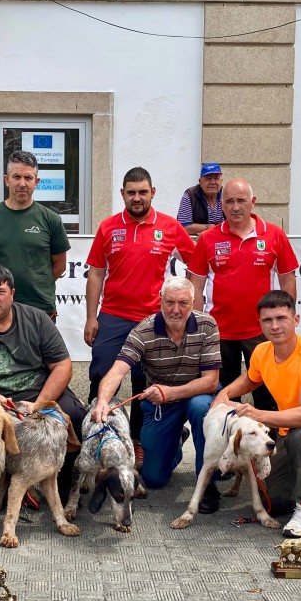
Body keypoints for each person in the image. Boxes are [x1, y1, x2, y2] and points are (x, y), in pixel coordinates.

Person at [213, 290, 301, 539]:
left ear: (296, 320)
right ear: (260, 324)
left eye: (281, 318)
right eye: (267, 320)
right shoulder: (262, 352)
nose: (275, 326)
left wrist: (258, 414)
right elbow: (249, 379)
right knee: (274, 504)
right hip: (295, 434)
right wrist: (222, 396)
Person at [84, 167, 195, 462]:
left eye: (142, 192)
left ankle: (137, 441)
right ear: (122, 194)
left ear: (152, 193)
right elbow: (96, 274)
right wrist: (91, 317)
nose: (137, 198)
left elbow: (197, 264)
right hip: (112, 317)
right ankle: (98, 434)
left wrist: (190, 307)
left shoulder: (170, 226)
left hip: (153, 321)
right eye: (131, 192)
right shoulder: (108, 227)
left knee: (145, 385)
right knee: (102, 378)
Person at [0, 263, 86, 500]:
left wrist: (40, 404)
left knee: (74, 414)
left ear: (12, 293)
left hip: (40, 392)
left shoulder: (38, 320)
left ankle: (61, 482)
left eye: (0, 291)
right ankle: (2, 481)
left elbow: (62, 366)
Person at [91, 277, 220, 500]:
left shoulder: (207, 324)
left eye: (183, 303)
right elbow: (117, 371)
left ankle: (207, 483)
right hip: (162, 404)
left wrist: (171, 392)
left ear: (193, 302)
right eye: (170, 302)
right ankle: (176, 438)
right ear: (160, 301)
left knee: (201, 408)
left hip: (198, 395)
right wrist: (102, 401)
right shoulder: (143, 330)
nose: (176, 310)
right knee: (153, 479)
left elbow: (210, 381)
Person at [187, 177, 298, 415]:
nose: (235, 207)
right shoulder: (208, 238)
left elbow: (288, 279)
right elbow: (195, 286)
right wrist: (197, 325)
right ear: (221, 205)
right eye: (229, 201)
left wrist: (286, 320)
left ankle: (273, 446)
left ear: (252, 202)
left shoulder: (275, 235)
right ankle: (230, 448)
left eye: (241, 201)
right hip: (220, 333)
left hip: (263, 333)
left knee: (268, 396)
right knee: (224, 398)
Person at [0, 150, 69, 317]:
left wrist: (38, 284)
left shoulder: (51, 219)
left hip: (40, 308)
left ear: (36, 182)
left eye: (28, 178)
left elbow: (60, 265)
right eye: (16, 177)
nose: (22, 183)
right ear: (6, 180)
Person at [177, 163, 224, 236]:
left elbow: (237, 223)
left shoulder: (228, 195)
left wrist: (212, 230)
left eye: (216, 178)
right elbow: (183, 227)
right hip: (196, 241)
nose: (212, 182)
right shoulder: (190, 195)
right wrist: (210, 227)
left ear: (221, 181)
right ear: (200, 182)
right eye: (208, 179)